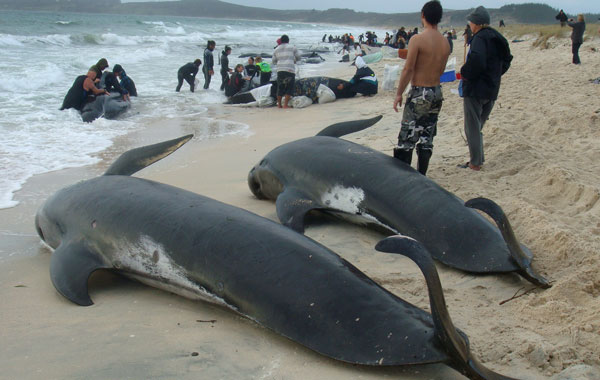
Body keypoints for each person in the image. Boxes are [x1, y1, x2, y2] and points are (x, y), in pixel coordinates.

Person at [392, 1, 450, 176]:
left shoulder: (417, 39)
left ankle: (405, 178)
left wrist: (398, 93)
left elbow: (408, 69)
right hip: (436, 91)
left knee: (407, 138)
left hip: (420, 91)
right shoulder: (445, 42)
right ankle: (422, 175)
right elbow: (440, 70)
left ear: (423, 15)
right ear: (439, 18)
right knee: (426, 137)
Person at [459, 6, 512, 171]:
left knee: (472, 127)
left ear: (477, 23)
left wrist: (465, 73)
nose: (470, 25)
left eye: (471, 22)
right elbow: (507, 60)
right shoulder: (498, 37)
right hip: (492, 88)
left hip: (476, 89)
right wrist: (495, 75)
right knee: (478, 125)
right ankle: (478, 159)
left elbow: (478, 60)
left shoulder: (480, 38)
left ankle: (475, 163)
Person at [271, 34, 301, 108]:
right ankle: (285, 105)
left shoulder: (276, 49)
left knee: (280, 87)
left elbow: (274, 61)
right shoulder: (292, 47)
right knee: (289, 87)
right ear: (288, 40)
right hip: (289, 69)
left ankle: (279, 105)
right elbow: (299, 57)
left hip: (280, 70)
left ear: (281, 40)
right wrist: (294, 60)